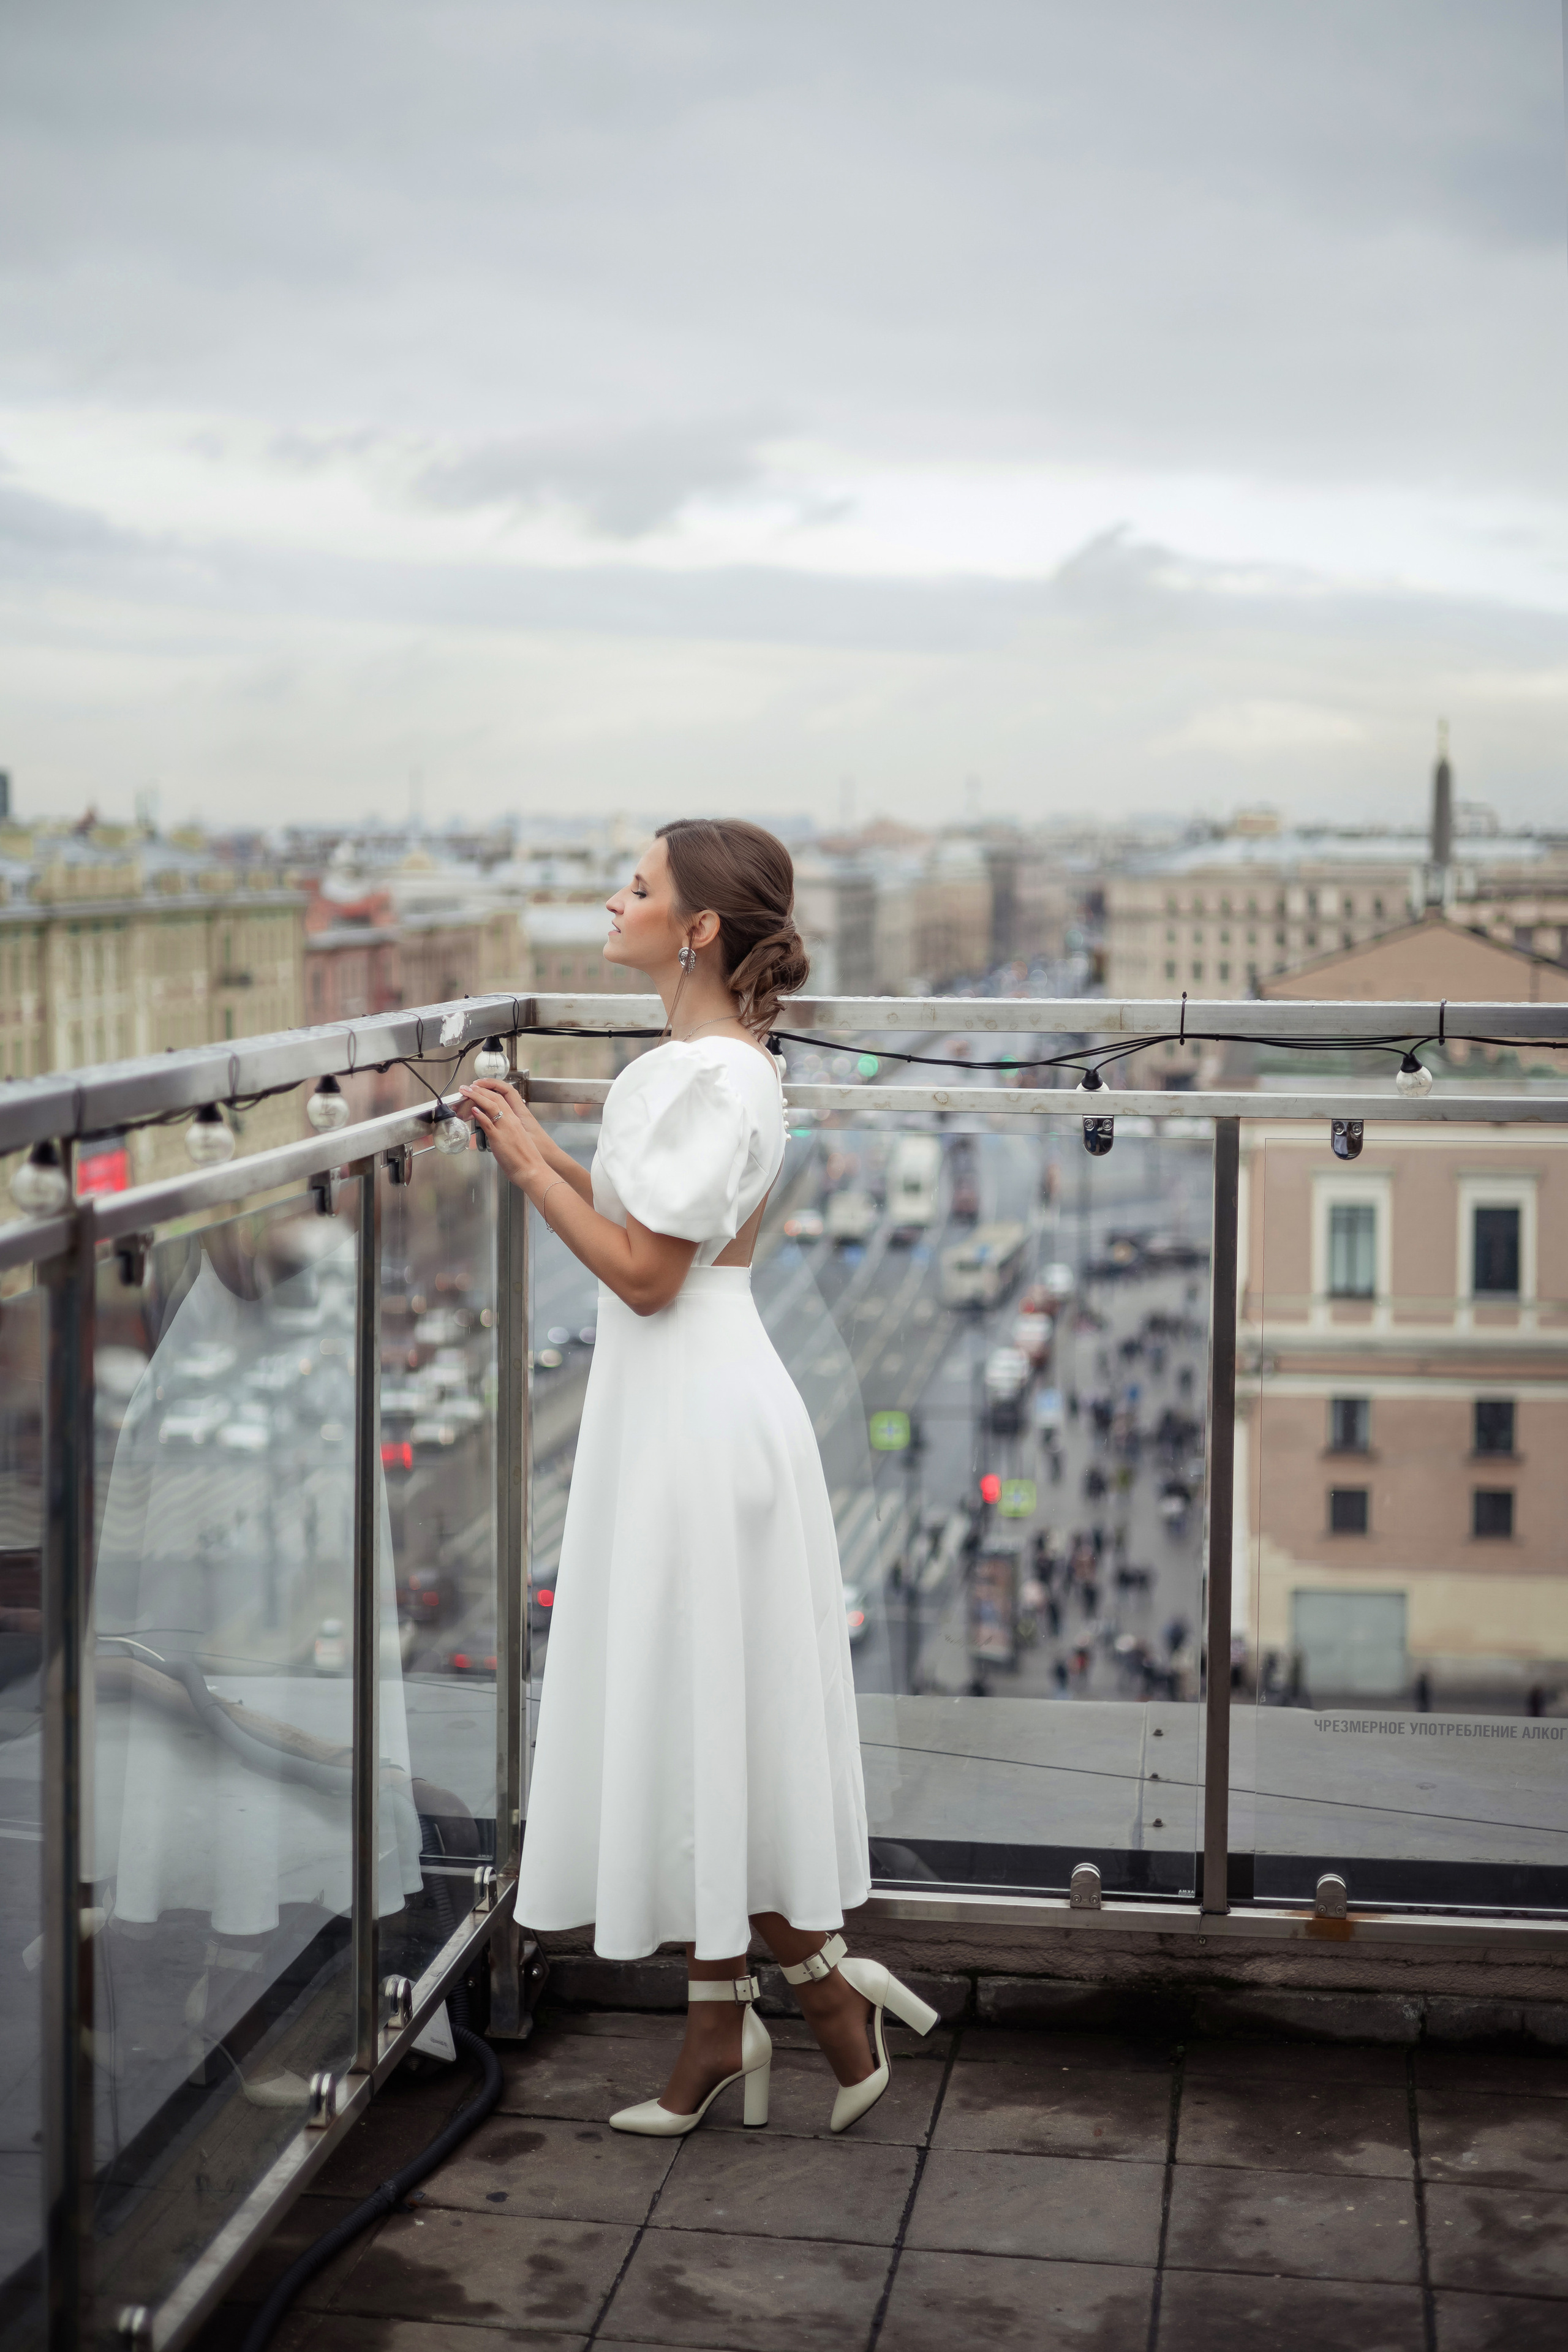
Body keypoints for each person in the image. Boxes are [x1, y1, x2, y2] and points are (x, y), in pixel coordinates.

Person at [459, 818, 937, 2138]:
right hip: (680, 1407)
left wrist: (519, 1167)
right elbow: (641, 1232)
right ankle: (777, 2016)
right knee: (702, 1728)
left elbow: (642, 1275)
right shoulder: (701, 1065)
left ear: (699, 929)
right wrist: (535, 1139)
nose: (612, 901)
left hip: (692, 1414)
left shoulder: (712, 1079)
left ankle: (795, 2011)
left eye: (638, 886)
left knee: (699, 1722)